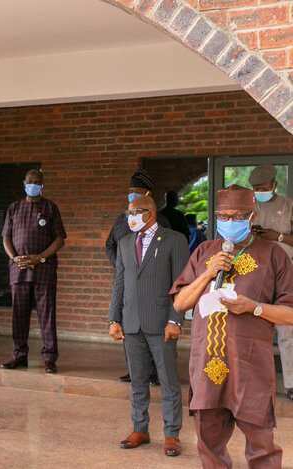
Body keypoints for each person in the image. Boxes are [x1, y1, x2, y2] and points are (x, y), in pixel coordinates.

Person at [171, 185, 293, 468]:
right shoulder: (204, 252)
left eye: (237, 216)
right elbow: (180, 303)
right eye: (223, 216)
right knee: (209, 446)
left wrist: (255, 307)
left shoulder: (274, 255)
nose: (229, 222)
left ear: (252, 216)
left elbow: (290, 313)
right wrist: (208, 273)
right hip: (208, 367)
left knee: (263, 449)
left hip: (250, 368)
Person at [108, 195, 188, 457]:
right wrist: (114, 319)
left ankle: (171, 434)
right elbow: (119, 283)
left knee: (168, 381)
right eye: (128, 212)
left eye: (134, 212)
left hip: (162, 324)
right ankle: (140, 428)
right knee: (138, 381)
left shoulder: (174, 240)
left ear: (149, 213)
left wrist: (175, 319)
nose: (129, 217)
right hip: (131, 323)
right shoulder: (124, 242)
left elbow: (181, 286)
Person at [106, 168, 169, 384]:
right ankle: (134, 370)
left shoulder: (163, 223)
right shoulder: (121, 219)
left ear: (148, 194)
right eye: (130, 191)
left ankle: (154, 373)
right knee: (129, 327)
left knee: (152, 329)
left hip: (153, 285)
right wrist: (121, 266)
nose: (132, 195)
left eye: (137, 191)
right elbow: (110, 245)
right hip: (128, 283)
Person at [0, 169, 66, 374]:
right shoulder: (14, 208)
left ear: (42, 185)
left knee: (46, 315)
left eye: (37, 182)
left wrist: (39, 257)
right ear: (24, 183)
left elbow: (60, 239)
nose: (33, 185)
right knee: (19, 315)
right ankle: (19, 355)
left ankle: (49, 358)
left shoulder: (50, 208)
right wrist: (14, 258)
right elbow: (6, 238)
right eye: (30, 182)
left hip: (44, 270)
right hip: (18, 270)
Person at [249, 165, 293, 401]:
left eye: (264, 188)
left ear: (274, 185)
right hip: (256, 274)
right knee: (255, 329)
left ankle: (291, 384)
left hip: (286, 274)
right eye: (256, 189)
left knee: (287, 330)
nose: (259, 192)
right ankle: (256, 382)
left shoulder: (288, 205)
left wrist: (275, 236)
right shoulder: (250, 206)